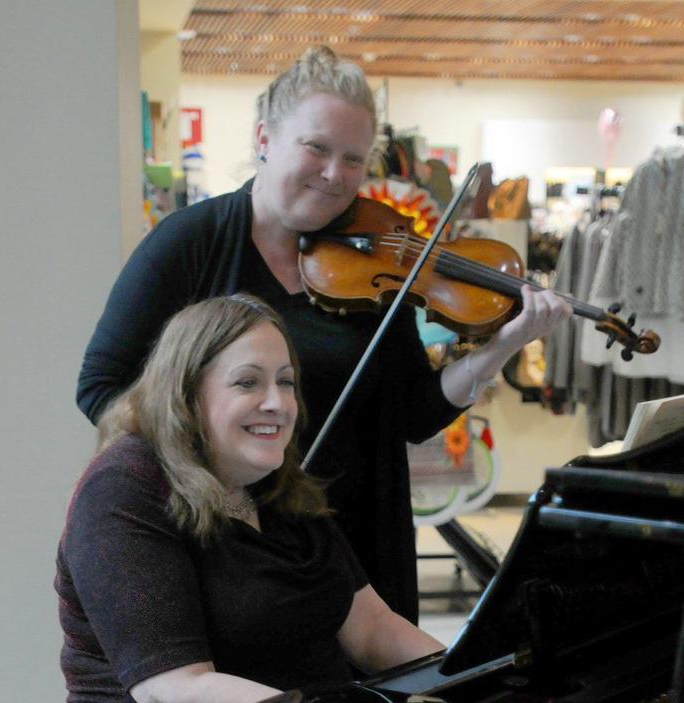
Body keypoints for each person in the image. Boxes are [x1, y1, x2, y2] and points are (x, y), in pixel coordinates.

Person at [77, 46, 572, 622]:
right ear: (265, 139)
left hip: (356, 543)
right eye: (316, 148)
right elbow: (101, 387)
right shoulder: (193, 242)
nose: (336, 175)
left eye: (354, 159)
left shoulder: (375, 254)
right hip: (228, 547)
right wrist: (212, 472)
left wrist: (503, 345)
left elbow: (413, 413)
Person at [22, 294, 449, 703]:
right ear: (186, 393)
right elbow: (173, 687)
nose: (277, 402)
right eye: (247, 383)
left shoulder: (276, 485)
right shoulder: (125, 487)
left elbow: (374, 630)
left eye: (286, 382)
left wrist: (477, 681)